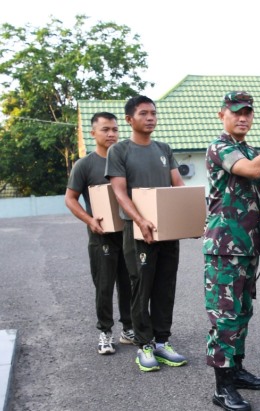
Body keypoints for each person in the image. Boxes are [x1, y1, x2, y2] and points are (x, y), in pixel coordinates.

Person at [203, 91, 260, 411]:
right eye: (236, 112)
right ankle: (221, 388)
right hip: (224, 248)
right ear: (222, 114)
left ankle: (235, 371)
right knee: (224, 317)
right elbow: (253, 171)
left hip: (247, 246)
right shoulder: (220, 147)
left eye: (248, 112)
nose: (243, 117)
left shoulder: (248, 150)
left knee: (241, 313)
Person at [106, 96, 187, 372]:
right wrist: (140, 220)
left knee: (166, 285)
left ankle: (162, 341)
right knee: (141, 286)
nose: (150, 117)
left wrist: (189, 217)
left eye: (153, 113)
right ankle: (144, 345)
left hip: (167, 229)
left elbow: (178, 185)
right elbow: (119, 192)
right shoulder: (119, 151)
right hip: (138, 230)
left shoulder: (164, 148)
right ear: (130, 119)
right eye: (144, 113)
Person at [65, 112, 134, 355]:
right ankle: (105, 332)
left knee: (129, 284)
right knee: (104, 286)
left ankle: (129, 329)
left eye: (115, 129)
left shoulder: (125, 161)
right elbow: (70, 199)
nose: (111, 134)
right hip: (101, 235)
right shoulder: (84, 165)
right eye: (105, 129)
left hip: (127, 234)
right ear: (93, 132)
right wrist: (89, 219)